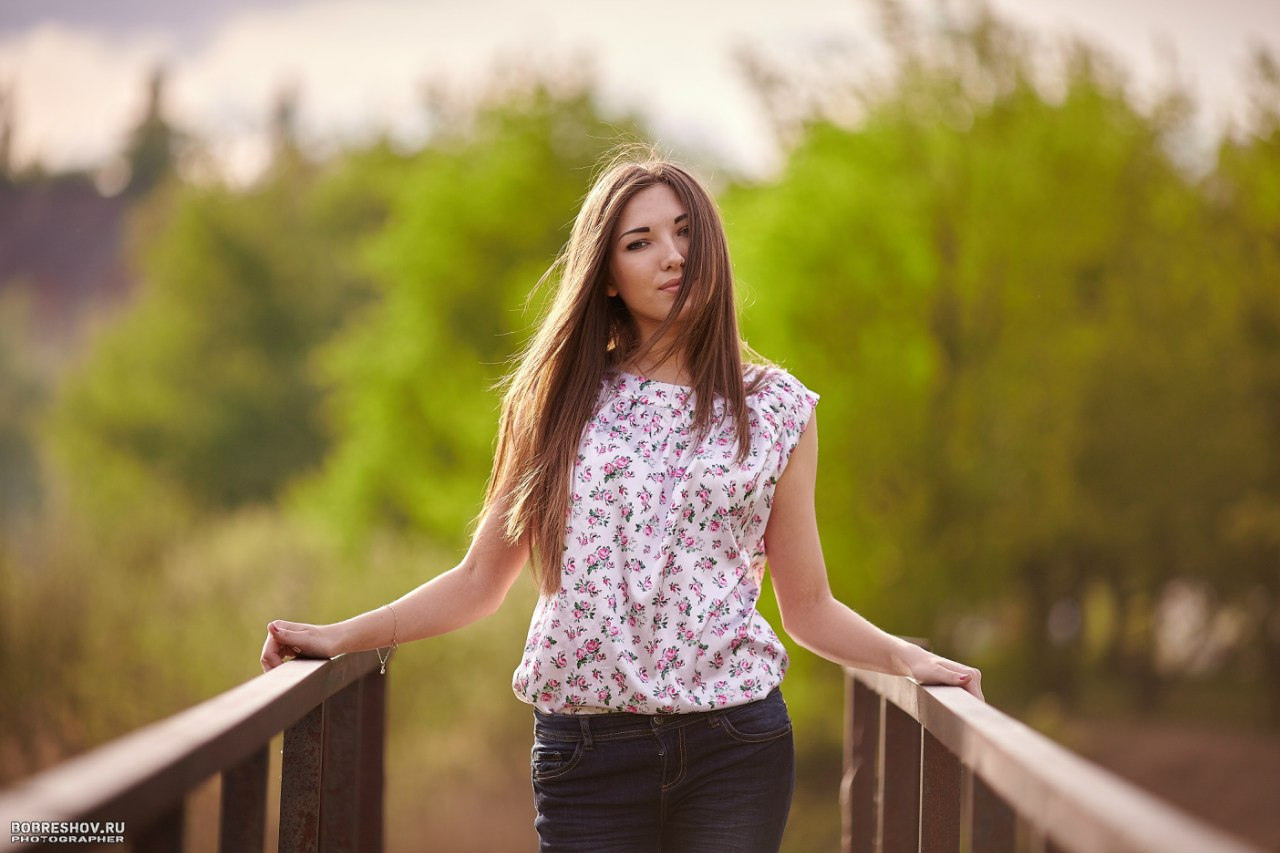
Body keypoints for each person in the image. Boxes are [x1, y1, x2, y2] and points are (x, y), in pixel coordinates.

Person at [260, 150, 983, 853]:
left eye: (686, 232)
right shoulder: (556, 403)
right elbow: (480, 581)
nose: (672, 255)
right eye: (641, 242)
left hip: (737, 747)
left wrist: (909, 661)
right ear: (606, 275)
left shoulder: (777, 408)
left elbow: (808, 606)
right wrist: (341, 636)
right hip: (587, 754)